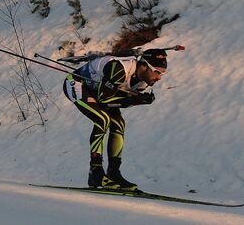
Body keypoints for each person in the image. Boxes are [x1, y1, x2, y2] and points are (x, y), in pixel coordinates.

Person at [63, 48, 168, 190]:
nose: (159, 77)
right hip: (77, 84)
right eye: (157, 72)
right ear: (144, 66)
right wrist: (135, 100)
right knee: (102, 119)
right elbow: (105, 100)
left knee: (119, 124)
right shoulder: (119, 69)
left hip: (100, 91)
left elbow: (117, 100)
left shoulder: (143, 82)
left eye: (162, 73)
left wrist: (136, 98)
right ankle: (96, 172)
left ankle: (114, 173)